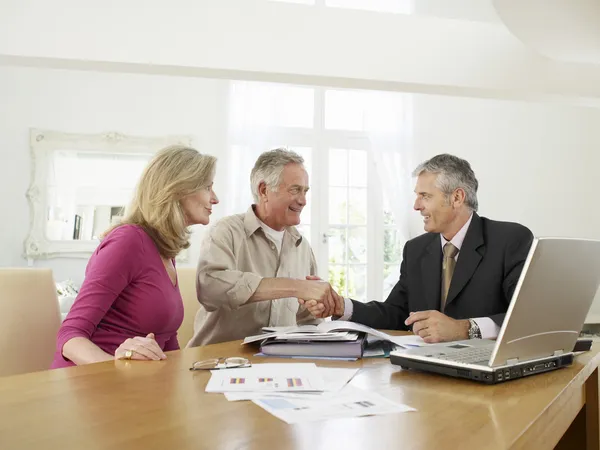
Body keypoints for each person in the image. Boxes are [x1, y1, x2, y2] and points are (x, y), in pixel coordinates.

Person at [304, 153, 533, 343]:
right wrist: (342, 306)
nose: (416, 206)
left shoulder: (510, 240)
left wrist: (465, 329)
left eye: (425, 196)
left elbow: (528, 318)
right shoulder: (416, 249)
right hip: (426, 375)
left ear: (457, 197)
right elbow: (396, 314)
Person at [51, 145, 219, 368]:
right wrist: (115, 371)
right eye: (208, 188)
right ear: (178, 190)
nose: (215, 198)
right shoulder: (128, 241)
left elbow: (165, 338)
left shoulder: (164, 250)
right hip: (92, 381)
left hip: (137, 383)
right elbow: (70, 336)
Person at [187, 148, 338, 346]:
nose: (303, 200)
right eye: (295, 190)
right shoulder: (225, 231)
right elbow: (210, 289)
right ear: (264, 190)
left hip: (279, 365)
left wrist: (316, 308)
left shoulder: (302, 247)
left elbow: (308, 322)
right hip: (220, 364)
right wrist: (295, 287)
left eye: (305, 191)